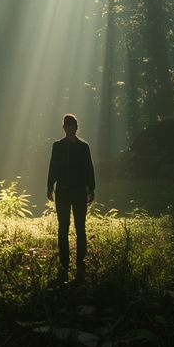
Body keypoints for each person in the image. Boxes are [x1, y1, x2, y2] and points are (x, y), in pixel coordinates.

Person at [46, 113, 95, 283]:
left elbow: (89, 167)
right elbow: (53, 166)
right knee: (63, 226)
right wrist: (49, 186)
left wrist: (91, 188)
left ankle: (80, 260)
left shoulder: (83, 147)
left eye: (72, 127)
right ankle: (64, 262)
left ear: (76, 128)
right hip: (63, 191)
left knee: (80, 226)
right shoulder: (57, 146)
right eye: (67, 127)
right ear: (64, 128)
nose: (70, 129)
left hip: (80, 190)